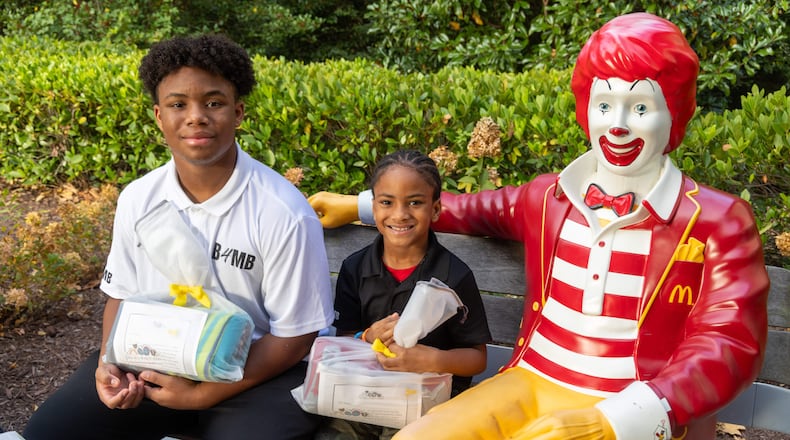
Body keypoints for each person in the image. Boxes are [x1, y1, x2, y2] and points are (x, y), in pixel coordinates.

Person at [308, 13, 769, 440]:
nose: (619, 126)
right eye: (605, 104)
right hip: (529, 380)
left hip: (630, 402)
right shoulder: (549, 196)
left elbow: (728, 345)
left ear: (675, 113)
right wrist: (361, 205)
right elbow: (462, 208)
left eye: (641, 108)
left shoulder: (716, 220)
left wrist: (614, 421)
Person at [23, 34, 335, 440]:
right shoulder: (139, 198)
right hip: (158, 356)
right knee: (52, 432)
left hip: (259, 371)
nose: (196, 116)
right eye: (177, 104)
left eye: (213, 102)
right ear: (158, 115)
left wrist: (202, 395)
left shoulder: (283, 212)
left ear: (238, 112)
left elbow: (295, 337)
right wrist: (108, 365)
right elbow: (122, 295)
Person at [325, 150, 491, 440]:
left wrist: (432, 360)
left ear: (435, 209)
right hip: (366, 393)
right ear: (373, 207)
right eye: (387, 202)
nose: (400, 214)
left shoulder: (453, 275)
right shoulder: (355, 268)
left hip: (432, 401)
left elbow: (477, 358)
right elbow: (344, 341)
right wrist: (366, 337)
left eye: (415, 202)